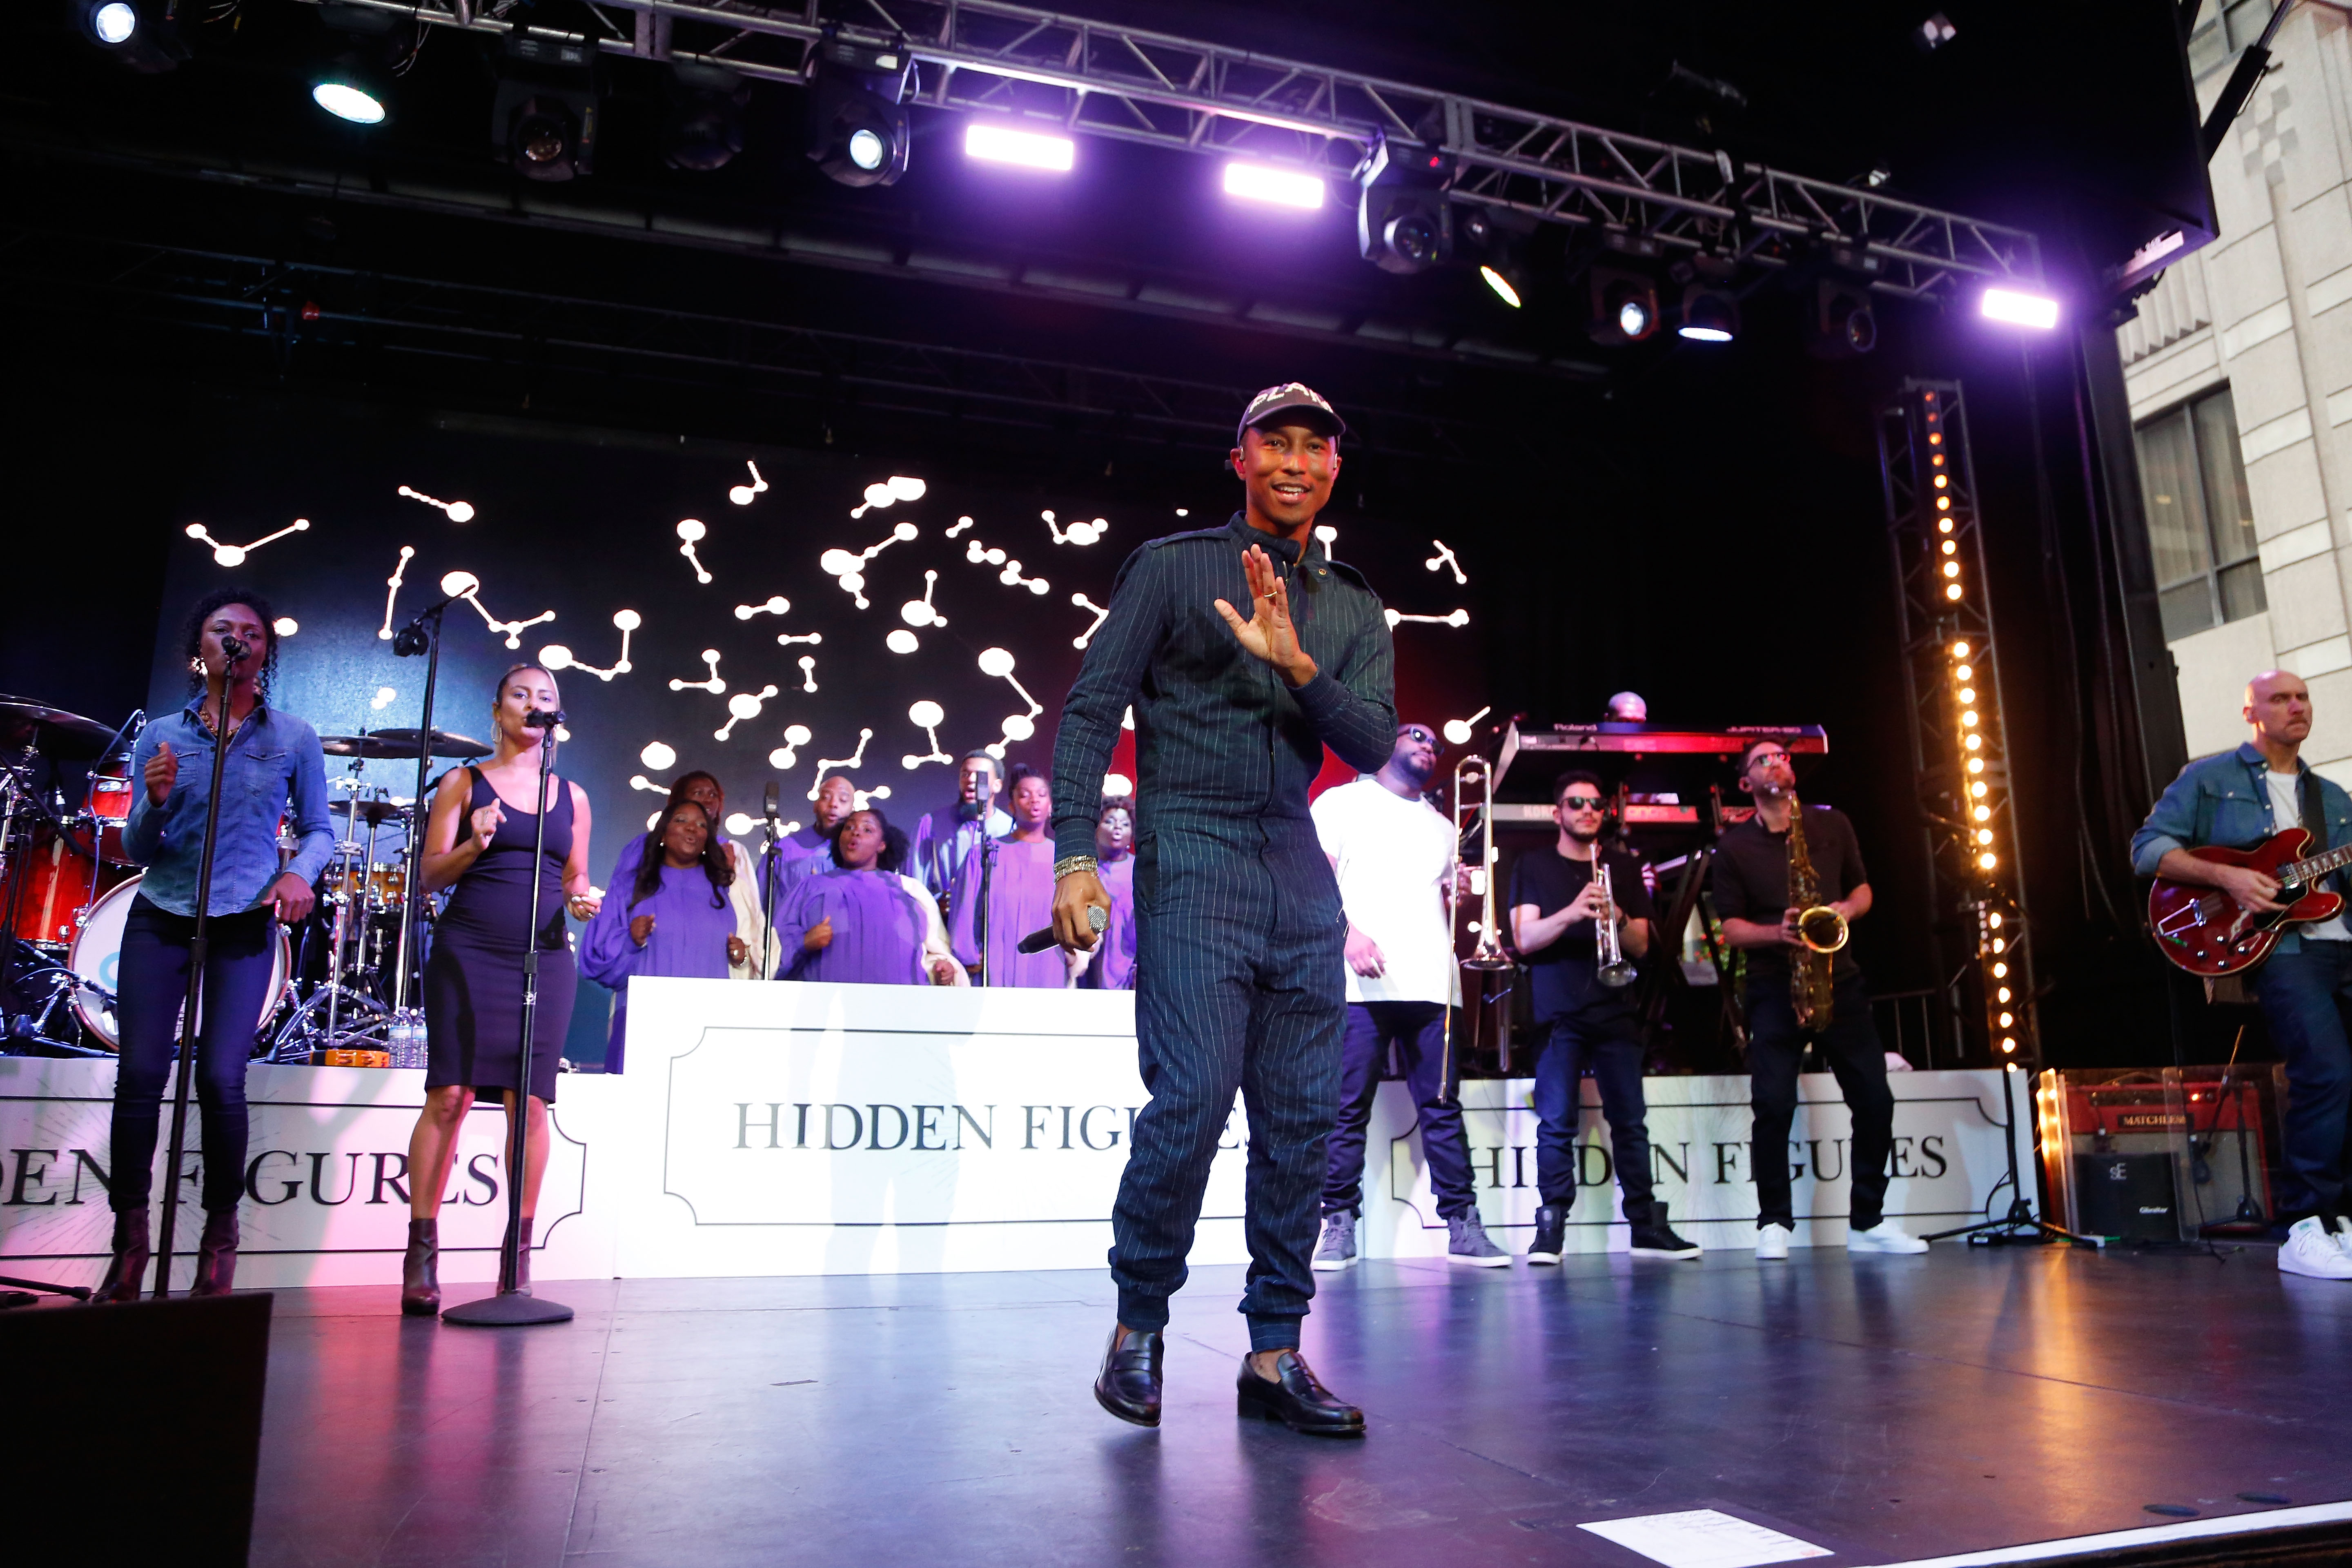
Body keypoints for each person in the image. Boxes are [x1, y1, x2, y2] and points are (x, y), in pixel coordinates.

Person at [1052, 381, 1393, 1437]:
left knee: (1299, 1120)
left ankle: (1274, 1352)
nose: (1295, 462)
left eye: (1314, 448)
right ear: (1240, 459)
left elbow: (1373, 744)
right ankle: (1138, 1328)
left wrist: (1301, 669)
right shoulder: (1170, 568)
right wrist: (1075, 855)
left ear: (1334, 470)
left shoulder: (1352, 603)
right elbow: (1092, 709)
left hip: (1297, 867)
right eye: (1274, 443)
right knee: (1193, 1097)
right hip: (1192, 854)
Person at [97, 589, 332, 1302]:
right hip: (164, 912)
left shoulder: (293, 736)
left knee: (221, 1078)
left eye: (251, 633)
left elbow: (319, 829)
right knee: (141, 1073)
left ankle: (218, 1247)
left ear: (266, 652)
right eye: (223, 630)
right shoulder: (161, 734)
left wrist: (298, 874)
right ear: (199, 648)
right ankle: (130, 1246)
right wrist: (154, 802)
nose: (238, 640)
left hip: (243, 920)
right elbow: (139, 847)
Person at [2132, 669, 2352, 1279]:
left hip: (2343, 944)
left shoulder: (2333, 798)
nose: (2296, 707)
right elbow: (2149, 850)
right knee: (2326, 1072)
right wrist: (2229, 877)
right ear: (2251, 712)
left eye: (2303, 697)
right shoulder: (2209, 779)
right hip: (2282, 951)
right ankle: (2305, 1225)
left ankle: (2342, 1221)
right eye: (2280, 698)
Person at [400, 663, 597, 1316]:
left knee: (531, 1106)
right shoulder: (464, 782)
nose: (533, 704)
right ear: (498, 709)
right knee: (450, 1097)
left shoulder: (573, 797)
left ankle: (517, 1259)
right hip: (470, 952)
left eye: (546, 697)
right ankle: (421, 1254)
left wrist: (581, 900)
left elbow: (573, 876)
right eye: (521, 694)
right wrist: (475, 844)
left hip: (544, 959)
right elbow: (430, 876)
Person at [1711, 739, 1924, 1258]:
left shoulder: (1832, 825)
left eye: (1782, 755)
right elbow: (1731, 929)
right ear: (1745, 783)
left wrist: (1844, 911)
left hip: (1839, 980)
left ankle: (1868, 1222)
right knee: (1772, 1104)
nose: (1777, 762)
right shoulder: (1734, 848)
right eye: (1763, 759)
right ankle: (1774, 1223)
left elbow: (1864, 890)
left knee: (1874, 1099)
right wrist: (1777, 933)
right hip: (1773, 985)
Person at [1308, 722, 1503, 1269]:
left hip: (1435, 984)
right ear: (1386, 743)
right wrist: (1348, 935)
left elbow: (1445, 901)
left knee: (1442, 1108)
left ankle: (1463, 1224)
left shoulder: (1444, 827)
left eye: (1435, 744)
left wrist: (1459, 895)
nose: (1428, 746)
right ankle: (1338, 1224)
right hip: (1359, 980)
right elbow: (1315, 879)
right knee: (1346, 1109)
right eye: (1416, 736)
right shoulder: (1342, 801)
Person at [1508, 770, 1700, 1263]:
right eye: (1576, 803)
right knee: (1556, 1124)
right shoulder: (1533, 865)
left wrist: (1618, 916)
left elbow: (1642, 946)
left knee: (1631, 1123)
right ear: (1557, 813)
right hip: (1558, 1014)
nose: (1588, 810)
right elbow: (1524, 939)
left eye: (1596, 804)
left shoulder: (1623, 865)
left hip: (1616, 1009)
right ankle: (1551, 1229)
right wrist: (1573, 912)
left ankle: (1647, 1227)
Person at [580, 798, 748, 1071]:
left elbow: (734, 953)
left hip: (706, 1023)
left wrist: (738, 956)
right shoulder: (630, 886)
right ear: (662, 834)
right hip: (646, 1022)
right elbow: (596, 959)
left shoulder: (720, 890)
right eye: (682, 821)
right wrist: (630, 940)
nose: (692, 828)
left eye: (701, 825)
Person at [607, 771, 769, 984]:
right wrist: (631, 940)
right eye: (698, 793)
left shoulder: (733, 852)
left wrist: (743, 957)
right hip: (648, 979)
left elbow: (749, 920)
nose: (708, 800)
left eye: (713, 795)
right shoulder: (642, 849)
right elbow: (618, 911)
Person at [777, 808, 963, 986]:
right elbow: (774, 947)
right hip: (824, 1002)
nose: (855, 833)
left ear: (882, 845)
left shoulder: (910, 890)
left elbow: (935, 951)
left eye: (867, 830)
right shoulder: (810, 887)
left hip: (899, 1003)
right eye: (849, 828)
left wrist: (942, 969)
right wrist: (804, 943)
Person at [949, 766, 1084, 987]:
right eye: (1024, 795)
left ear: (1051, 806)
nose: (1034, 800)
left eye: (1042, 795)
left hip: (1050, 962)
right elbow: (964, 908)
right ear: (1011, 806)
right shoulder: (987, 852)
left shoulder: (1065, 858)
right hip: (997, 959)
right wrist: (969, 955)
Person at [913, 751, 1011, 906]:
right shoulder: (932, 824)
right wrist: (935, 904)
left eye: (980, 775)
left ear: (997, 785)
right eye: (965, 774)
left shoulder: (1009, 828)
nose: (971, 779)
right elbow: (916, 883)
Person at [769, 771, 857, 903]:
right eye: (826, 797)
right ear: (815, 806)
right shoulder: (784, 848)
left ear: (853, 810)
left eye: (843, 800)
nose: (834, 804)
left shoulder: (859, 852)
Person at [1085, 797, 1138, 991]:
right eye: (1109, 822)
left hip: (1129, 967)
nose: (1117, 829)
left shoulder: (1140, 870)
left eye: (1125, 824)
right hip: (1088, 966)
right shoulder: (1084, 871)